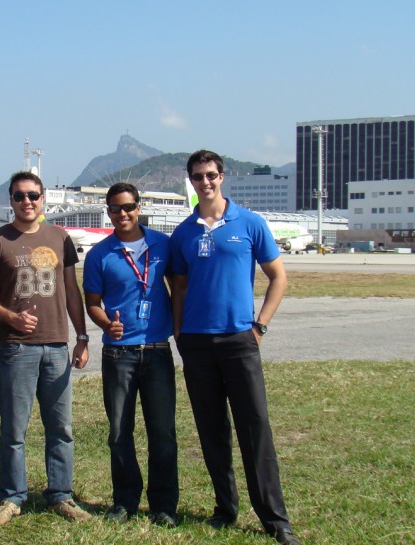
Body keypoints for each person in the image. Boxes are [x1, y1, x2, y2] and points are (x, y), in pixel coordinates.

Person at [170, 150, 299, 545]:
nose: (204, 182)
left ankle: (275, 519)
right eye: (197, 176)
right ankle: (225, 509)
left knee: (255, 427)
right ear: (191, 181)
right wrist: (180, 334)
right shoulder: (184, 232)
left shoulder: (250, 223)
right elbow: (178, 288)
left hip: (239, 341)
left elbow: (278, 277)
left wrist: (260, 325)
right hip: (197, 344)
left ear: (222, 176)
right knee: (212, 431)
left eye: (210, 175)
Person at [0, 171, 91, 525]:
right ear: (10, 199)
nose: (27, 202)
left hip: (56, 346)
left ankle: (61, 494)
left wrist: (82, 337)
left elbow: (72, 291)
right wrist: (10, 317)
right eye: (20, 196)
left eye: (33, 196)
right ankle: (11, 497)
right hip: (17, 348)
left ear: (43, 199)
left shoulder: (59, 237)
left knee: (61, 427)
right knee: (14, 428)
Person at [82, 183, 179, 527]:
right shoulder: (100, 255)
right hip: (118, 356)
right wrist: (107, 324)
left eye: (127, 207)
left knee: (163, 432)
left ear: (139, 208)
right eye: (114, 209)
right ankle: (124, 501)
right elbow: (92, 303)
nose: (122, 214)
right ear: (108, 212)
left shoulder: (163, 245)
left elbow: (178, 288)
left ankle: (164, 505)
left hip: (157, 352)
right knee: (120, 432)